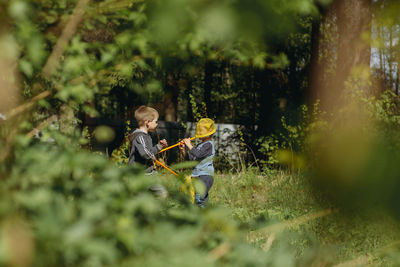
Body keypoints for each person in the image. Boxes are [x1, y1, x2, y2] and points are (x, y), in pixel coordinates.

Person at [128, 105, 168, 197]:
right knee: (139, 198)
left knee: (162, 193)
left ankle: (155, 210)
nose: (157, 124)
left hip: (149, 173)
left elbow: (149, 151)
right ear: (148, 122)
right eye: (156, 122)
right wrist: (151, 156)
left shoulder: (146, 136)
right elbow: (145, 153)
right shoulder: (139, 136)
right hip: (139, 176)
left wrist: (159, 146)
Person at [180, 118, 216, 207]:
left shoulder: (209, 145)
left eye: (201, 132)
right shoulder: (199, 146)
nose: (199, 134)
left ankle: (201, 217)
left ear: (209, 134)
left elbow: (198, 154)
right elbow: (190, 160)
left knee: (199, 199)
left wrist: (189, 145)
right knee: (199, 198)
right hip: (197, 176)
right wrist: (183, 150)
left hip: (205, 176)